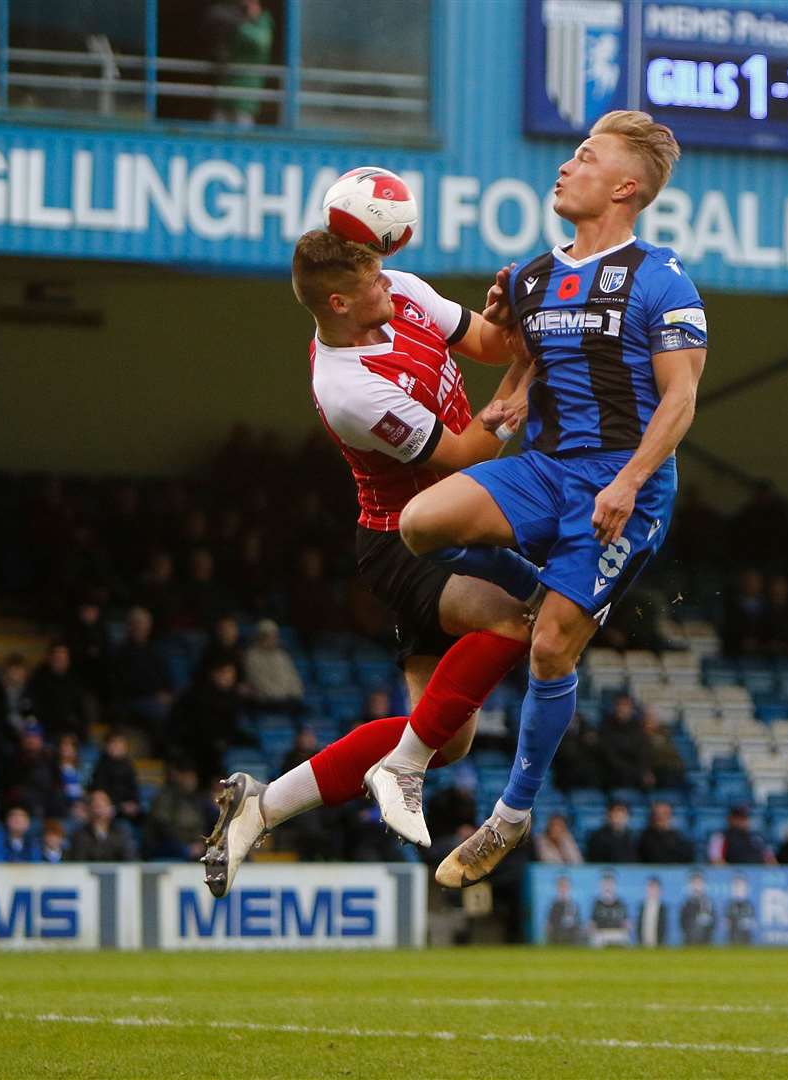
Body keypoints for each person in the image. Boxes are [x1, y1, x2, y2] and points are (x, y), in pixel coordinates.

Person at [396, 111, 707, 887]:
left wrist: (629, 482)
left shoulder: (661, 279)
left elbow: (682, 400)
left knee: (549, 650)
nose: (566, 167)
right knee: (418, 523)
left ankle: (509, 817)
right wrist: (507, 388)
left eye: (585, 157)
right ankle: (533, 590)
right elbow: (526, 362)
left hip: (620, 484)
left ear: (626, 186)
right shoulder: (533, 277)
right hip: (543, 469)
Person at [200, 226, 535, 897]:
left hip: (453, 526)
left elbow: (494, 345)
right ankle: (396, 771)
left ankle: (261, 806)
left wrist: (515, 321)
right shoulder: (349, 388)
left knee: (445, 741)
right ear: (339, 304)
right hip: (408, 542)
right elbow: (470, 453)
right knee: (512, 619)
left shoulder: (402, 291)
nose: (391, 282)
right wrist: (531, 374)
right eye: (373, 283)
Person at [209, 0, 275, 127]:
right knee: (215, 138)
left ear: (257, 6)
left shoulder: (262, 25)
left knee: (242, 140)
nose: (244, 10)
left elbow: (260, 42)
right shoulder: (234, 27)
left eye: (248, 6)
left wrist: (240, 24)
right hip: (225, 95)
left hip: (244, 100)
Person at [145, 763, 220, 861]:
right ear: (178, 776)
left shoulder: (198, 799)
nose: (192, 781)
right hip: (168, 844)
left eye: (193, 777)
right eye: (188, 776)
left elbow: (210, 822)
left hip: (196, 845)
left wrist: (201, 843)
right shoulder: (164, 798)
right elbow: (163, 828)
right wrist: (188, 846)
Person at [67, 789, 139, 862]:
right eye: (96, 806)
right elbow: (78, 862)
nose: (99, 811)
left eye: (103, 805)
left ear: (111, 809)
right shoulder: (79, 834)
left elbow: (130, 860)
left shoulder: (122, 832)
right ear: (89, 810)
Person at [90, 731, 143, 822]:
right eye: (114, 742)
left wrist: (134, 803)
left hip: (127, 807)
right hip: (110, 807)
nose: (117, 746)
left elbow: (134, 790)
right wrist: (120, 806)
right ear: (107, 746)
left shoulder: (128, 765)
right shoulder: (101, 766)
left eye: (120, 742)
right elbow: (100, 792)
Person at [588, 872, 630, 946]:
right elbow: (592, 923)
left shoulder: (620, 903)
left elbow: (626, 922)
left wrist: (626, 929)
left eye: (610, 884)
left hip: (617, 932)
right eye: (605, 884)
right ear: (601, 886)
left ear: (614, 886)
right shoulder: (597, 903)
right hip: (601, 933)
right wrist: (593, 931)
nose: (608, 887)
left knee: (625, 939)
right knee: (596, 940)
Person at [545, 875, 585, 944]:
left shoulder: (574, 904)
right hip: (557, 933)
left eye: (566, 886)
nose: (563, 889)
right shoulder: (554, 905)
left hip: (572, 934)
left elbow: (579, 922)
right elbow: (549, 922)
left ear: (569, 888)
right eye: (561, 886)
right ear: (558, 888)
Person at [679, 871, 715, 944]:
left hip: (706, 942)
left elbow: (713, 922)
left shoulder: (708, 903)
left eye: (699, 883)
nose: (697, 886)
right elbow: (682, 923)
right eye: (694, 883)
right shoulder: (686, 904)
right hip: (689, 941)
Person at [724, 876, 758, 945]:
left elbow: (753, 922)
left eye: (741, 887)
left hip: (746, 936)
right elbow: (726, 921)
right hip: (733, 935)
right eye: (737, 887)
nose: (739, 890)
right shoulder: (730, 904)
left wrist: (747, 922)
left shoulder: (748, 905)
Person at [636, 875, 668, 946]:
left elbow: (664, 928)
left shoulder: (663, 907)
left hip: (658, 943)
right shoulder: (642, 906)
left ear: (659, 890)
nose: (652, 890)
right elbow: (639, 926)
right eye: (650, 887)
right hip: (643, 943)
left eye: (655, 887)